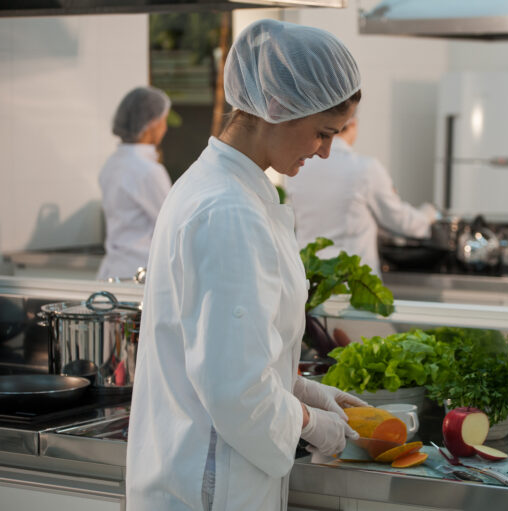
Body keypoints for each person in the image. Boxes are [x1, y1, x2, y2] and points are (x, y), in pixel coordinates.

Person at [126, 20, 368, 510]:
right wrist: (312, 424)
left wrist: (309, 392)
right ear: (277, 108)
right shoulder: (229, 210)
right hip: (208, 488)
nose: (324, 151)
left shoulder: (220, 187)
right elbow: (236, 391)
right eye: (323, 133)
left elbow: (226, 355)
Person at [285, 115, 436, 275]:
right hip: (352, 281)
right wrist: (428, 216)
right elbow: (398, 219)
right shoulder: (365, 168)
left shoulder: (299, 167)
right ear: (353, 123)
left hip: (309, 274)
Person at [97, 86, 172, 280]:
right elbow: (172, 224)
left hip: (113, 270)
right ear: (152, 124)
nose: (165, 128)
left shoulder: (112, 163)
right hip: (139, 273)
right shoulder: (148, 171)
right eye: (164, 120)